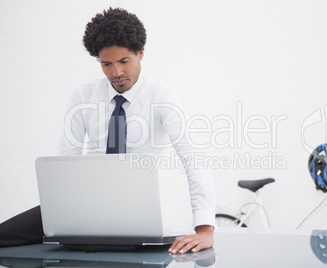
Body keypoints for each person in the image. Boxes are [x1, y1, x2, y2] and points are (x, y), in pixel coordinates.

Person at [0, 7, 215, 254]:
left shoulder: (161, 96)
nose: (116, 73)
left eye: (124, 61)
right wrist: (61, 209)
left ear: (140, 54)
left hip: (140, 208)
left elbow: (193, 158)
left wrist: (205, 229)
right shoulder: (84, 94)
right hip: (89, 205)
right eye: (106, 64)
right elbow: (65, 161)